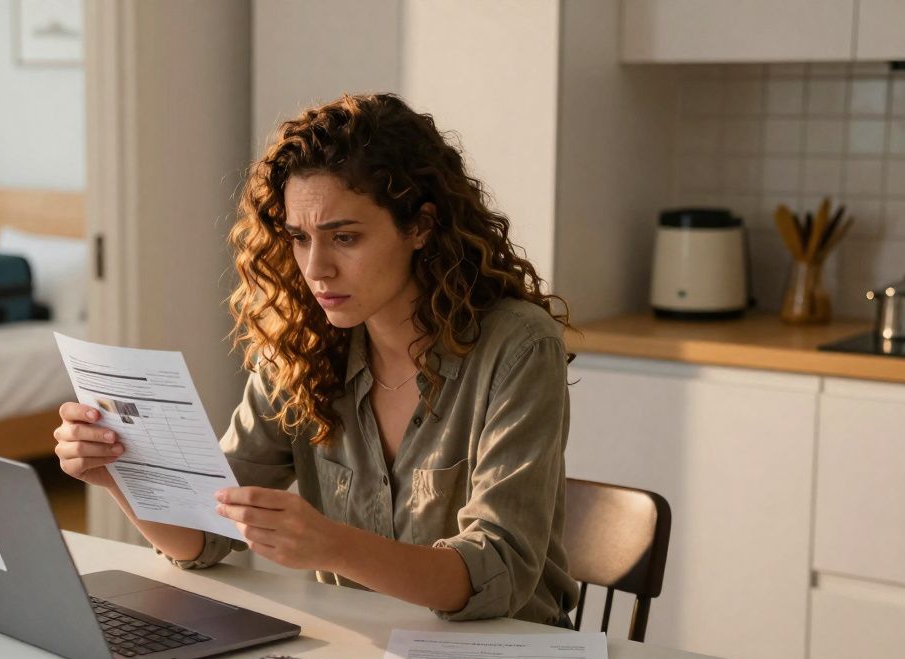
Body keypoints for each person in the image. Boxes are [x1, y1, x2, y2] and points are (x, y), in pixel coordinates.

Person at [55, 93, 577, 626]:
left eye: (344, 238)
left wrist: (333, 547)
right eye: (299, 239)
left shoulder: (518, 347)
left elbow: (500, 574)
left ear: (420, 227)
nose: (316, 268)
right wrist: (117, 472)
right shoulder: (301, 347)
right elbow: (203, 538)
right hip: (364, 651)